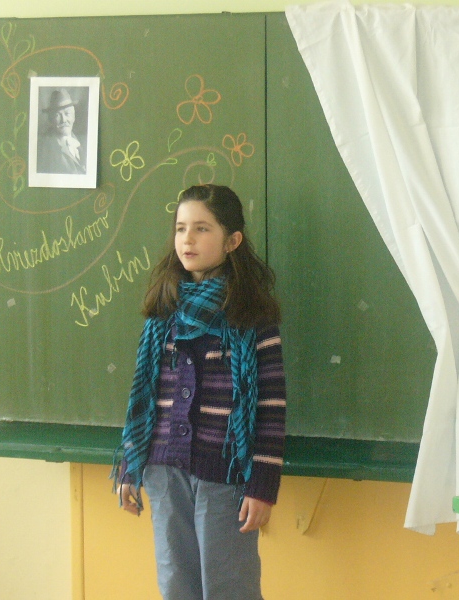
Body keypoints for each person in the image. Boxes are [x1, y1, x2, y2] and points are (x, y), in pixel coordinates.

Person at [113, 184, 286, 600]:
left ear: (232, 241)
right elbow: (143, 397)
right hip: (163, 469)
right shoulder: (162, 313)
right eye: (180, 228)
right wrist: (130, 465)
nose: (187, 239)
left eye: (202, 229)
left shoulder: (251, 316)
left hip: (225, 475)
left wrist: (262, 484)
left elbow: (270, 405)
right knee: (176, 584)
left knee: (229, 587)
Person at [36, 87, 87, 174]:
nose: (64, 120)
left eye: (67, 113)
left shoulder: (80, 141)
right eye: (58, 115)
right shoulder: (45, 149)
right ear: (51, 119)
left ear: (73, 116)